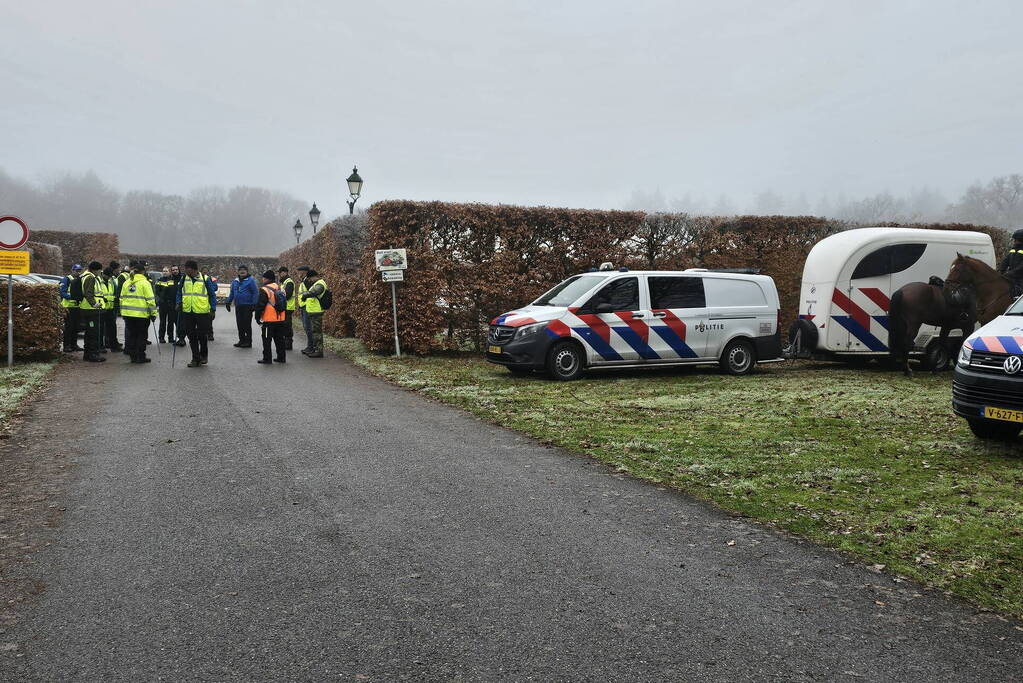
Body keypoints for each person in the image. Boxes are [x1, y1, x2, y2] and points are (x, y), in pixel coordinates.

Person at [177, 260, 218, 368]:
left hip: (202, 312)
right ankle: (195, 358)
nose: (186, 270)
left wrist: (213, 309)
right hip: (187, 311)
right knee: (191, 336)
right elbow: (179, 292)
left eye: (188, 268)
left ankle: (204, 355)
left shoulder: (205, 279)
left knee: (202, 335)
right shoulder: (183, 279)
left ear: (194, 269)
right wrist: (178, 302)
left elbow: (212, 295)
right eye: (185, 268)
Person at [120, 260, 158, 363]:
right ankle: (140, 356)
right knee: (141, 336)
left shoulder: (126, 282)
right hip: (141, 315)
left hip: (128, 315)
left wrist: (123, 313)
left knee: (132, 335)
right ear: (142, 271)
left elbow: (121, 299)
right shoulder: (145, 283)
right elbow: (150, 300)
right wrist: (153, 314)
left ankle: (133, 356)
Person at [255, 270, 287, 364]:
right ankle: (281, 357)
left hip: (268, 319)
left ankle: (267, 358)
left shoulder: (264, 289)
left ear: (265, 278)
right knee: (279, 339)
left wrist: (257, 317)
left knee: (266, 340)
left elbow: (260, 305)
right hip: (280, 319)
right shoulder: (279, 288)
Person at [79, 261, 107, 362]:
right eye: (100, 270)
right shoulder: (90, 277)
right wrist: (94, 304)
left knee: (89, 333)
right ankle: (93, 354)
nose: (100, 272)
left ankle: (88, 354)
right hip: (91, 310)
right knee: (93, 333)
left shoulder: (86, 276)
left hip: (89, 309)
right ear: (96, 269)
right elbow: (88, 293)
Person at [225, 265, 258, 348]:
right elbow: (232, 293)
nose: (242, 271)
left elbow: (255, 292)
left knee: (246, 324)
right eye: (240, 270)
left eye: (244, 270)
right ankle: (242, 340)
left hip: (248, 306)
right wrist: (228, 302)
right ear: (238, 272)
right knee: (240, 324)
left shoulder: (251, 280)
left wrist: (254, 304)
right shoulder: (235, 281)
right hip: (238, 305)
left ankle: (248, 342)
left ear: (247, 271)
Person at [299, 268, 328, 358]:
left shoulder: (320, 284)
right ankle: (315, 349)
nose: (310, 280)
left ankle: (319, 351)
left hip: (317, 311)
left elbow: (314, 292)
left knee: (317, 332)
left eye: (310, 278)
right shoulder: (316, 283)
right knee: (314, 331)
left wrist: (305, 295)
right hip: (313, 311)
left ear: (314, 276)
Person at [59, 264, 83, 353]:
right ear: (72, 270)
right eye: (76, 271)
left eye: (79, 271)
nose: (78, 272)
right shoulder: (66, 279)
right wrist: (73, 297)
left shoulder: (79, 280)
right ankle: (67, 346)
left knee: (76, 327)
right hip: (68, 307)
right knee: (68, 328)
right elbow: (62, 292)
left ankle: (74, 345)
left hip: (77, 307)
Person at [156, 265, 180, 343]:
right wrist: (161, 299)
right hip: (163, 304)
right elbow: (157, 291)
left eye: (166, 271)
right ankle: (161, 337)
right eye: (163, 271)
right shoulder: (159, 280)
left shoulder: (171, 280)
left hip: (170, 304)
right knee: (162, 322)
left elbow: (173, 291)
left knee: (170, 322)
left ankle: (170, 338)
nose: (165, 272)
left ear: (169, 272)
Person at [100, 267, 121, 352]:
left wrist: (115, 299)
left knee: (112, 328)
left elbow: (112, 294)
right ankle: (101, 346)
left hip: (110, 308)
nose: (110, 278)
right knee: (101, 329)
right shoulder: (99, 282)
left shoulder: (110, 281)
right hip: (101, 309)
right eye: (109, 276)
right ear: (104, 274)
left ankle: (114, 346)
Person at [999, 229, 1023, 297]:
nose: (1014, 241)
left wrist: (1009, 273)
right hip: (1012, 276)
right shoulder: (1013, 249)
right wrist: (1001, 270)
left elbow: (1021, 267)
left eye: (1016, 239)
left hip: (1020, 278)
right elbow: (1005, 261)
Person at [108, 261, 126, 352]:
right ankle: (111, 343)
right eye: (118, 268)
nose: (119, 270)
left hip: (113, 305)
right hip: (109, 305)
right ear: (115, 269)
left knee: (112, 326)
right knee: (110, 326)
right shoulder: (110, 278)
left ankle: (113, 342)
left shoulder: (115, 278)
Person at [278, 266, 296, 350]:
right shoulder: (284, 282)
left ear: (285, 272)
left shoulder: (289, 282)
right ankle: (286, 343)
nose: (279, 274)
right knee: (285, 325)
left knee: (287, 326)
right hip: (285, 306)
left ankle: (288, 344)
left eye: (280, 272)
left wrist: (279, 295)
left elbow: (287, 295)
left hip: (288, 307)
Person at [296, 265, 313, 353]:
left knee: (308, 327)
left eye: (300, 272)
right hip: (304, 306)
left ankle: (311, 347)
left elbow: (310, 293)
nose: (298, 274)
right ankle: (310, 346)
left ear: (304, 272)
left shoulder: (307, 280)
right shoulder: (304, 281)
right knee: (307, 327)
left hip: (307, 307)